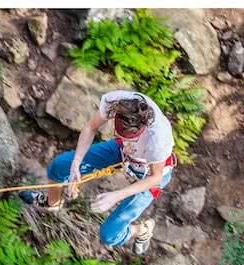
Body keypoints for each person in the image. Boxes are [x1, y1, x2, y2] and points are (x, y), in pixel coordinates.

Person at [20, 91, 176, 255]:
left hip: (150, 174)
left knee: (109, 235)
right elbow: (91, 127)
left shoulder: (158, 139)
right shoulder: (117, 102)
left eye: (131, 138)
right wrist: (76, 163)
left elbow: (155, 177)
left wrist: (116, 195)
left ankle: (142, 231)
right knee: (60, 166)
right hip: (123, 153)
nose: (126, 141)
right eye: (120, 134)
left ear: (141, 129)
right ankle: (53, 203)